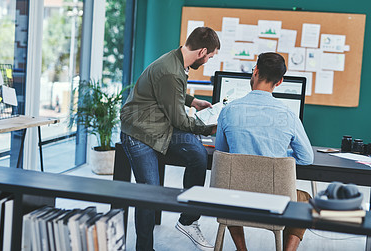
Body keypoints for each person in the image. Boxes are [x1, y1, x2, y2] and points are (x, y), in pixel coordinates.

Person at [120, 27, 220, 251]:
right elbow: (180, 121)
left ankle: (188, 219)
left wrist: (192, 101)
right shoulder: (171, 70)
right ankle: (144, 248)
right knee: (150, 192)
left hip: (160, 124)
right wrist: (209, 128)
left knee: (198, 155)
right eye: (209, 57)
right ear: (202, 51)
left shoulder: (177, 60)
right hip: (139, 131)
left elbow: (168, 92)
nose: (207, 62)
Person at [215, 52, 314, 251]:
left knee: (229, 187)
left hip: (235, 199)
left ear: (256, 72)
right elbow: (306, 158)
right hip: (276, 199)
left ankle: (241, 249)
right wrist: (278, 158)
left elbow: (222, 153)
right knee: (304, 201)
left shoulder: (229, 110)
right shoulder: (288, 114)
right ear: (280, 82)